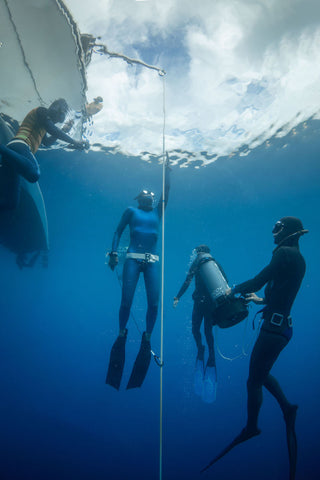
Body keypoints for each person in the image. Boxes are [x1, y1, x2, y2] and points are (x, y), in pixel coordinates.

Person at [202, 216, 308, 480]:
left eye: (277, 228)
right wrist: (259, 299)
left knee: (253, 381)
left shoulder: (284, 252)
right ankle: (287, 407)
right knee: (261, 373)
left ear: (287, 232)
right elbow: (278, 291)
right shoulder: (295, 256)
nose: (273, 232)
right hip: (282, 327)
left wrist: (232, 291)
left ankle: (252, 427)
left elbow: (260, 279)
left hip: (273, 330)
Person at [106, 153, 171, 390]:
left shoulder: (158, 212)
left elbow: (167, 193)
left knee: (154, 305)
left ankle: (147, 338)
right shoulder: (131, 211)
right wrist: (114, 252)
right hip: (132, 259)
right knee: (126, 303)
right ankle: (122, 333)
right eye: (145, 196)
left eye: (151, 196)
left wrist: (168, 172)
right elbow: (117, 231)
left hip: (152, 261)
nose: (149, 198)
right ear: (138, 199)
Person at [0, 98, 87, 210]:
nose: (56, 122)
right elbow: (52, 129)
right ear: (56, 109)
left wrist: (64, 130)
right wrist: (74, 141)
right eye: (61, 114)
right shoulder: (42, 111)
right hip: (19, 145)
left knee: (11, 203)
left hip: (15, 157)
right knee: (33, 173)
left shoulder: (43, 124)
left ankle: (3, 157)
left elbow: (46, 142)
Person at [173, 245, 226, 402]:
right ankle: (211, 353)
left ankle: (200, 348)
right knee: (208, 330)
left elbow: (187, 280)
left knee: (195, 329)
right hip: (211, 303)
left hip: (199, 303)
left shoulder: (197, 261)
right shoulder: (213, 263)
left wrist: (177, 297)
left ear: (197, 252)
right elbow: (225, 281)